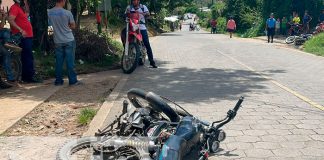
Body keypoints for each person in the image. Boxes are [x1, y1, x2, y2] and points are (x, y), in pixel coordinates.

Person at [48, 0, 80, 86]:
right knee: (70, 62)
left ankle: (58, 81)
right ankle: (73, 81)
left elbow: (50, 28)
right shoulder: (67, 13)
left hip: (57, 40)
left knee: (59, 62)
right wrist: (67, 26)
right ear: (62, 1)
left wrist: (51, 37)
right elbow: (73, 26)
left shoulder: (49, 12)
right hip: (69, 40)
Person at [8, 0, 40, 83]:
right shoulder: (14, 8)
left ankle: (27, 76)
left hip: (27, 36)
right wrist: (21, 30)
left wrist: (25, 3)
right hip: (23, 36)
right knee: (27, 56)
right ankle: (28, 77)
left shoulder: (20, 8)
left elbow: (27, 13)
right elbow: (11, 20)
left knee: (27, 56)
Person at [125, 0, 157, 68]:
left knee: (146, 43)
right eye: (133, 0)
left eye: (135, 0)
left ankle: (151, 61)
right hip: (132, 27)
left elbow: (148, 13)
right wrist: (127, 13)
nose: (134, 1)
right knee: (125, 38)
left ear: (138, 1)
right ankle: (126, 55)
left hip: (141, 27)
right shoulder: (129, 7)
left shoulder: (143, 7)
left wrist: (144, 14)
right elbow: (125, 15)